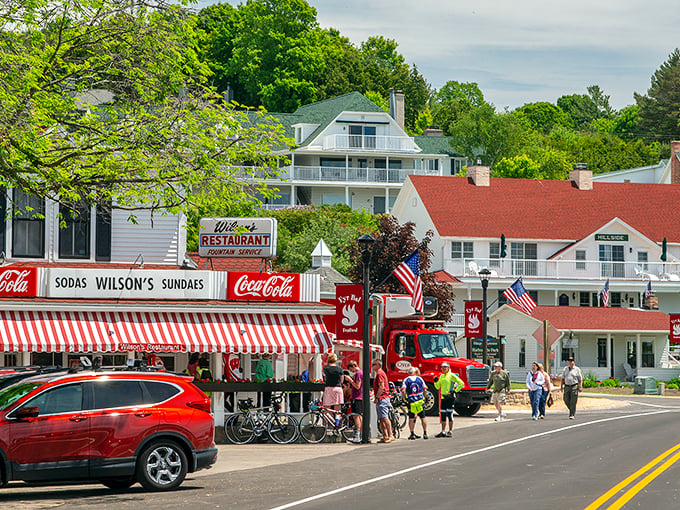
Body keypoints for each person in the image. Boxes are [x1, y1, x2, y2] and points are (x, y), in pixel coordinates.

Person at [433, 361, 463, 437]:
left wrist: (455, 390)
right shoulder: (442, 376)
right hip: (443, 397)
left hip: (450, 398)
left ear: (448, 368)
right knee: (443, 414)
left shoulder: (452, 375)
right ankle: (443, 431)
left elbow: (461, 383)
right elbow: (437, 387)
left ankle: (450, 431)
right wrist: (435, 381)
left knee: (449, 414)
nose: (443, 369)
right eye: (442, 367)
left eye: (445, 367)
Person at [402, 367, 428, 440]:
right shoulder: (420, 379)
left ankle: (412, 433)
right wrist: (424, 397)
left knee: (411, 418)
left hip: (411, 401)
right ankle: (425, 433)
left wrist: (405, 399)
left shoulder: (406, 380)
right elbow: (425, 389)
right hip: (420, 401)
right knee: (423, 417)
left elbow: (403, 391)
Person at [372, 359, 394, 443]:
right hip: (382, 398)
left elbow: (381, 386)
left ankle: (390, 435)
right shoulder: (379, 373)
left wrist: (377, 397)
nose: (372, 366)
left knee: (384, 417)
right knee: (381, 418)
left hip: (383, 398)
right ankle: (385, 436)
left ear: (377, 365)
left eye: (373, 364)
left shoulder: (380, 373)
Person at [346, 360, 363, 441]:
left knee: (356, 415)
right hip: (358, 396)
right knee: (358, 415)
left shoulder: (358, 373)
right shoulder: (360, 373)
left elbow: (357, 386)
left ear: (353, 366)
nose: (351, 371)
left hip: (357, 396)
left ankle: (358, 433)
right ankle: (360, 432)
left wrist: (350, 380)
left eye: (351, 369)